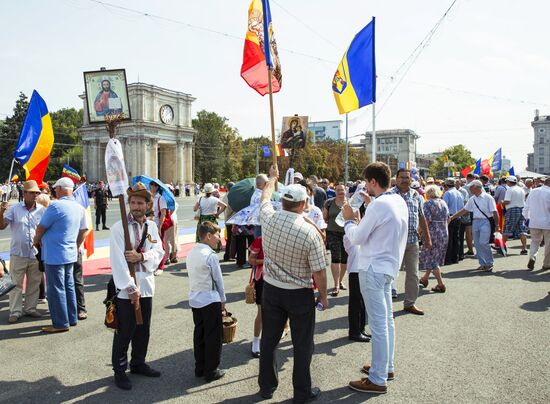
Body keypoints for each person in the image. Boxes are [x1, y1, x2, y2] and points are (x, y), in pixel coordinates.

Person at [258, 166, 328, 403]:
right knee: (302, 344)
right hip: (299, 293)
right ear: (302, 204)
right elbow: (319, 270)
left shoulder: (268, 218)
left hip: (271, 288)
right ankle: (301, 392)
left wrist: (272, 178)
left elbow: (265, 196)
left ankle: (266, 386)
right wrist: (324, 296)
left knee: (269, 340)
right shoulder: (309, 232)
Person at [342, 162, 408, 394]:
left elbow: (358, 237)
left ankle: (378, 378)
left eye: (366, 183)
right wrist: (369, 207)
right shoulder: (398, 200)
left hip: (372, 267)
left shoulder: (379, 205)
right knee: (386, 321)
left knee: (379, 324)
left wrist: (350, 220)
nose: (365, 187)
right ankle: (385, 366)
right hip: (389, 266)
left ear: (372, 182)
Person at [110, 182, 165, 390]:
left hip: (147, 284)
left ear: (147, 204)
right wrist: (130, 287)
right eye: (132, 202)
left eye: (140, 202)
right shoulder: (119, 228)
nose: (135, 206)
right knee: (125, 330)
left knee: (143, 328)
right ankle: (119, 370)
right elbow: (117, 260)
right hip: (127, 289)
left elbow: (159, 251)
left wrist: (141, 256)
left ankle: (138, 362)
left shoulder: (151, 227)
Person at [33, 178, 87, 333]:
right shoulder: (79, 207)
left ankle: (60, 323)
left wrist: (36, 242)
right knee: (69, 285)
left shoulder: (56, 206)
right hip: (70, 252)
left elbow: (40, 228)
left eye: (56, 188)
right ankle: (71, 317)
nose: (54, 191)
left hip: (55, 253)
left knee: (56, 288)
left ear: (62, 189)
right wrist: (75, 245)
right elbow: (84, 230)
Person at [187, 221, 227, 383]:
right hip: (210, 299)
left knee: (200, 334)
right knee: (213, 337)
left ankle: (200, 367)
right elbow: (218, 280)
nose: (218, 238)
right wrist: (223, 300)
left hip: (195, 298)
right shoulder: (210, 256)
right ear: (209, 235)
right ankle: (211, 370)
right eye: (217, 235)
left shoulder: (191, 252)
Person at [0, 180, 45, 323]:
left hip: (35, 253)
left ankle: (30, 308)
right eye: (32, 192)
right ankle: (15, 311)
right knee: (16, 284)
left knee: (34, 282)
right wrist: (1, 212)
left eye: (37, 193)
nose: (35, 195)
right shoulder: (14, 209)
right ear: (24, 193)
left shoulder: (42, 210)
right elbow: (2, 226)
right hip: (18, 253)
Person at [392, 169, 432, 315]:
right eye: (401, 177)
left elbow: (421, 217)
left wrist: (427, 237)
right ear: (396, 179)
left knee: (413, 274)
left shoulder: (416, 195)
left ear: (410, 179)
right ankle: (384, 305)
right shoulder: (390, 195)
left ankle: (410, 303)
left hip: (412, 240)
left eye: (407, 178)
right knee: (389, 273)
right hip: (394, 242)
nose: (404, 180)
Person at [450, 180, 499, 271]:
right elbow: (465, 210)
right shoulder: (472, 198)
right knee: (477, 243)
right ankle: (483, 263)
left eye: (471, 187)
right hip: (476, 222)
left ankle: (489, 263)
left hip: (485, 221)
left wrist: (497, 225)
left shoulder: (488, 197)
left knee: (484, 243)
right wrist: (453, 217)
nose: (469, 189)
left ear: (476, 187)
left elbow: (494, 212)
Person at [323, 184, 355, 296]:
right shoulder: (329, 202)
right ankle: (336, 285)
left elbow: (357, 218)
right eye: (338, 190)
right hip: (332, 233)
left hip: (347, 234)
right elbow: (324, 218)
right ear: (335, 191)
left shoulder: (351, 203)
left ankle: (340, 280)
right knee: (336, 258)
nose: (340, 192)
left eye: (342, 190)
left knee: (345, 261)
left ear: (345, 190)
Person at [419, 186, 449, 292]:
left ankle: (440, 284)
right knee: (434, 256)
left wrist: (420, 232)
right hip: (443, 231)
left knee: (433, 259)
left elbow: (426, 221)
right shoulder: (443, 202)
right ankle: (425, 278)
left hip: (432, 232)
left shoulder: (428, 204)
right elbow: (448, 218)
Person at [343, 233, 370, 342]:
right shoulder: (349, 235)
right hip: (355, 270)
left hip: (362, 269)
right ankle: (354, 332)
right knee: (356, 302)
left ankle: (361, 328)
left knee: (362, 302)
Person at [523, 177, 550, 270]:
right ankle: (546, 263)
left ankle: (532, 257)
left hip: (534, 221)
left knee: (534, 242)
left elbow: (526, 206)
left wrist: (526, 218)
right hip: (547, 222)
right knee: (548, 244)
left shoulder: (533, 191)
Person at [502, 176, 528, 255]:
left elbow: (507, 201)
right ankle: (524, 248)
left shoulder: (510, 189)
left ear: (509, 182)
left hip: (512, 209)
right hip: (522, 209)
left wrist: (502, 203)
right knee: (522, 229)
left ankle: (501, 247)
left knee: (507, 228)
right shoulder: (521, 189)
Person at [248, 234, 264, 358]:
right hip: (262, 279)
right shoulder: (260, 240)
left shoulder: (285, 237)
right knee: (261, 312)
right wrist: (265, 261)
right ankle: (256, 341)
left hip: (281, 280)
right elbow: (251, 259)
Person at [442, 178, 464, 265]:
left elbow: (444, 207)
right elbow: (462, 206)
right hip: (458, 216)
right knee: (456, 238)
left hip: (450, 217)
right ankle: (456, 257)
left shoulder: (448, 193)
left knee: (449, 238)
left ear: (446, 185)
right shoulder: (459, 193)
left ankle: (448, 258)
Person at [222, 182, 236, 262]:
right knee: (232, 239)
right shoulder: (234, 195)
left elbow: (223, 207)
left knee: (229, 239)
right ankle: (230, 255)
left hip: (228, 220)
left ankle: (228, 255)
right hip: (233, 220)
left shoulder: (225, 196)